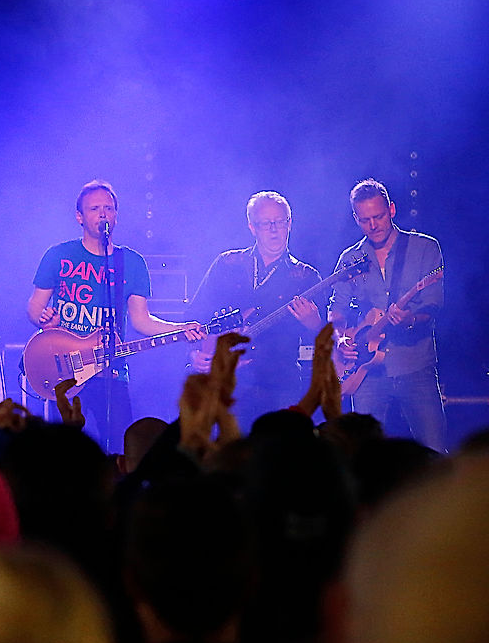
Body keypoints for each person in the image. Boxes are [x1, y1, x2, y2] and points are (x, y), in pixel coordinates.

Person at [26, 179, 204, 449]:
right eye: (94, 208)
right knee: (68, 451)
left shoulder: (130, 262)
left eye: (108, 208)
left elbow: (141, 321)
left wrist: (180, 329)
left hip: (111, 370)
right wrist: (44, 320)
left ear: (116, 216)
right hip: (65, 368)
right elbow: (34, 307)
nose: (102, 214)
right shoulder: (59, 255)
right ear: (79, 217)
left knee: (122, 446)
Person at [187, 191, 323, 430]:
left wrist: (314, 324)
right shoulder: (227, 264)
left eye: (279, 222)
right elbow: (196, 316)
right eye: (265, 223)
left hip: (280, 385)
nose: (273, 229)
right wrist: (196, 353)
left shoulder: (306, 276)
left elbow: (323, 342)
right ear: (252, 227)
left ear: (289, 223)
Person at [328, 178, 446, 451]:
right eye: (364, 219)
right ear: (356, 218)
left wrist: (409, 320)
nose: (373, 225)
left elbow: (432, 306)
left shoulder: (425, 248)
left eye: (379, 216)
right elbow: (337, 308)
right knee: (362, 455)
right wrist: (340, 339)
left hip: (414, 365)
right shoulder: (350, 258)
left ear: (392, 209)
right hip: (366, 372)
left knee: (434, 452)